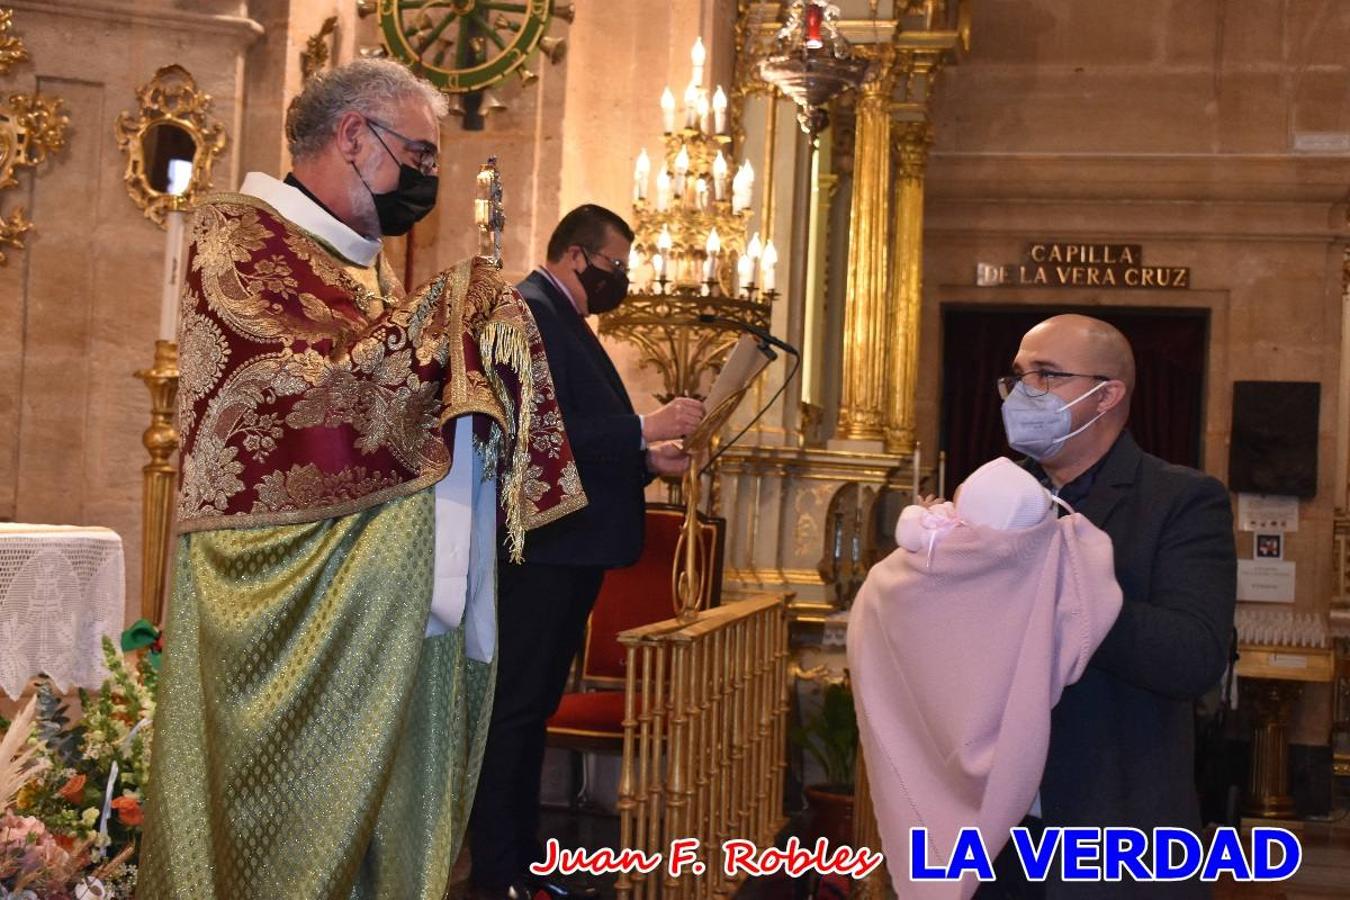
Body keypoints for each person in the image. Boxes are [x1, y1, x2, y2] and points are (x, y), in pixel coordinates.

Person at [137, 60, 586, 899]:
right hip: (280, 598)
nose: (426, 179)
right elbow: (296, 403)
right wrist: (449, 312)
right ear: (352, 136)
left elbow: (390, 402)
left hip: (376, 601)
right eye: (417, 155)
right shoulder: (238, 237)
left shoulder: (362, 267)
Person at [467, 205, 705, 899]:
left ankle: (522, 863)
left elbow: (579, 446)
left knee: (531, 706)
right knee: (515, 709)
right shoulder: (532, 309)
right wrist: (643, 426)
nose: (620, 280)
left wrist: (644, 458)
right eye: (615, 267)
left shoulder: (564, 317)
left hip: (570, 544)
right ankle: (498, 870)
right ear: (576, 255)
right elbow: (538, 426)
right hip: (544, 549)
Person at [984, 313, 1237, 898]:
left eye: (1046, 375)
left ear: (1107, 395)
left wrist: (1065, 590)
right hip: (992, 837)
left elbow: (1192, 657)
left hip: (1114, 836)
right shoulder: (993, 497)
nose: (1024, 393)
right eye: (1018, 377)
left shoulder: (1181, 500)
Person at [850, 457, 1123, 900]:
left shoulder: (905, 576)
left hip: (942, 747)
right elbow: (1078, 641)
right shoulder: (1050, 576)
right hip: (1023, 774)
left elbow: (875, 618)